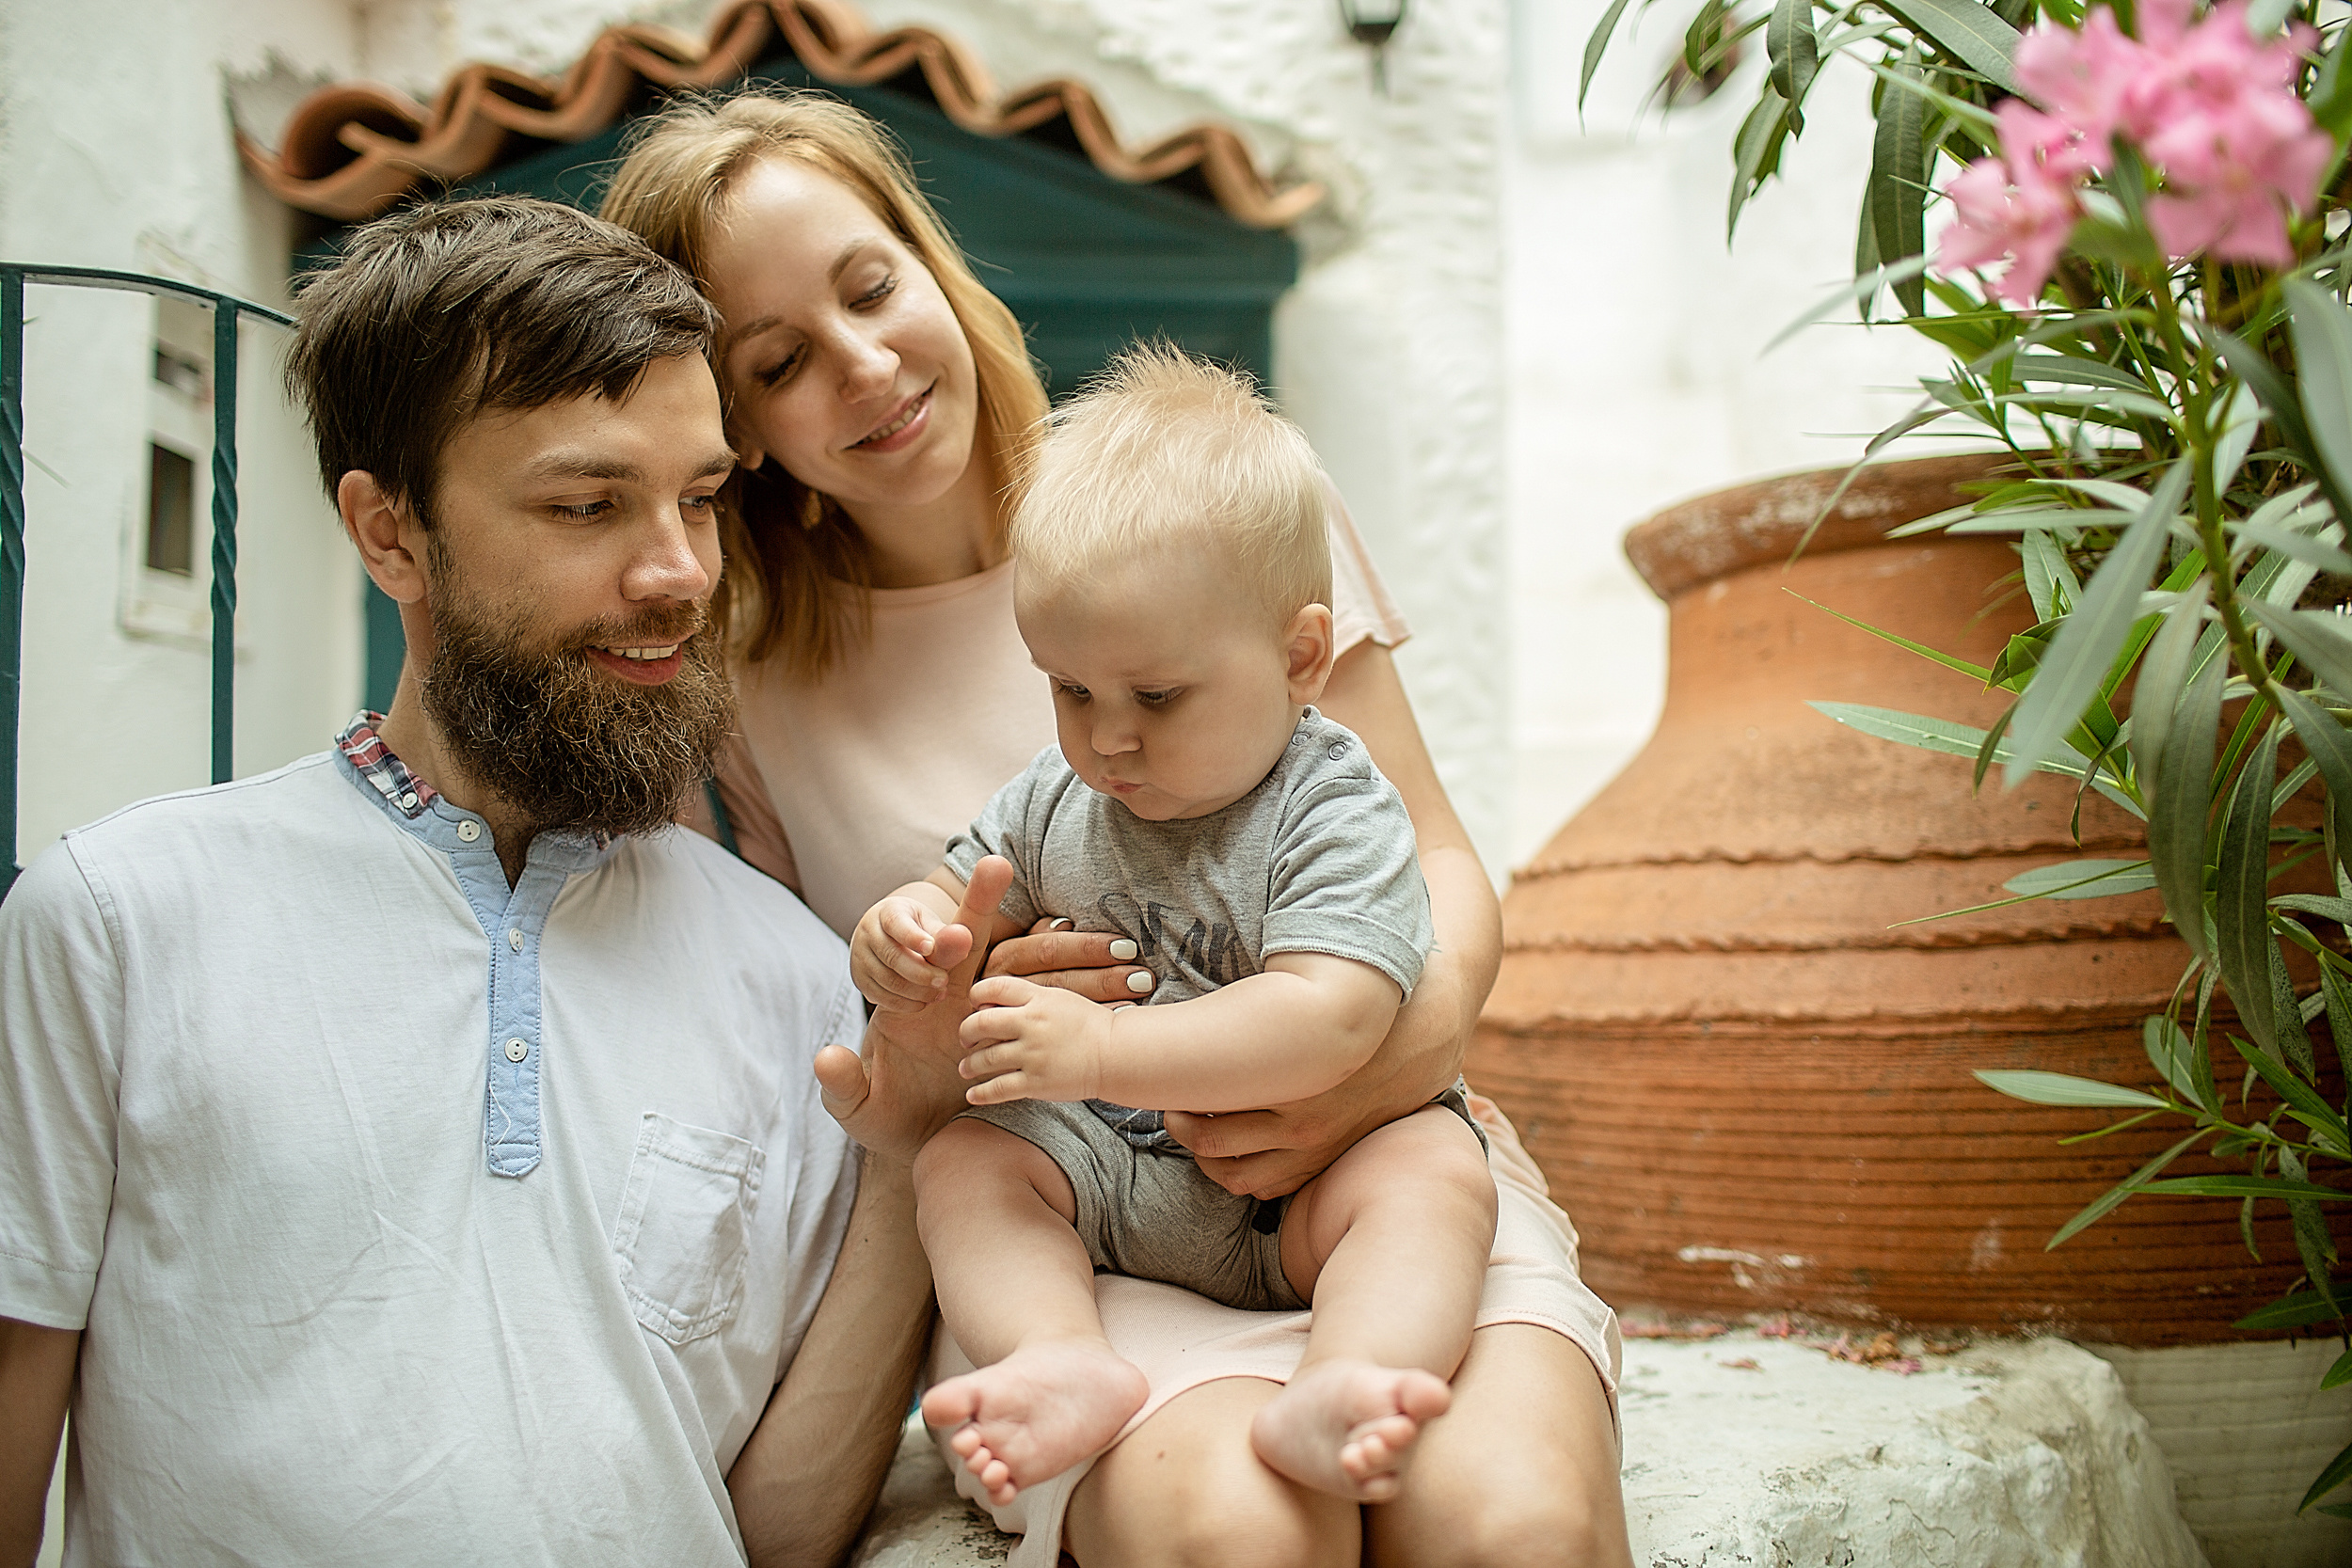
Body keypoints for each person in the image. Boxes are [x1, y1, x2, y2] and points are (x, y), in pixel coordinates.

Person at [603, 89, 1633, 1567]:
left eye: (873, 285)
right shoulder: (753, 695)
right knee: (1234, 1533)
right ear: (738, 425)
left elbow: (1434, 861)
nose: (866, 364)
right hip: (1075, 1241)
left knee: (1507, 1521)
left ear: (931, 262)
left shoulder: (1215, 508)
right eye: (780, 361)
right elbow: (854, 1045)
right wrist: (946, 1011)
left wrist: (1373, 1062)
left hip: (1373, 1171)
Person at [0, 196, 979, 1567]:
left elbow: (771, 1530)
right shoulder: (115, 921)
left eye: (700, 497)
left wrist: (903, 1145)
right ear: (388, 532)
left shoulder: (800, 981)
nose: (680, 571)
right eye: (588, 504)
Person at [857, 346, 1499, 1508]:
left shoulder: (1329, 801)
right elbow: (958, 893)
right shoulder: (1057, 801)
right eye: (1069, 690)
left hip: (1304, 1178)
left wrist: (1099, 1050)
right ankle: (1057, 1351)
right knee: (965, 1163)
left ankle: (1349, 1374)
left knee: (1434, 1173)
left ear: (1302, 657)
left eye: (1156, 696)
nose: (1108, 740)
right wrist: (901, 932)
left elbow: (1334, 1013)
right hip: (1107, 1177)